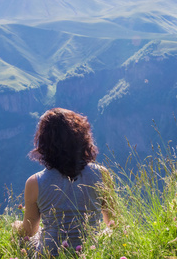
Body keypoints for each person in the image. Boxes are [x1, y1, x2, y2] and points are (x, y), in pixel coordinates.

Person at [12, 108, 112, 256]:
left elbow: (29, 230)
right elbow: (113, 221)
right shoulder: (102, 174)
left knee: (21, 240)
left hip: (50, 254)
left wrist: (15, 227)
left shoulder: (34, 182)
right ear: (82, 138)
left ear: (44, 144)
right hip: (91, 253)